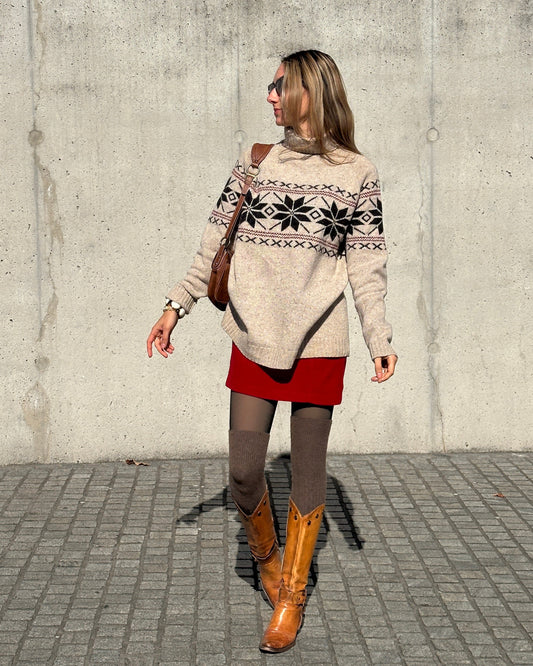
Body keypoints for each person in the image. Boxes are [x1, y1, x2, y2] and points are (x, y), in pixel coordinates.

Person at [147, 49, 397, 653]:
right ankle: (266, 556)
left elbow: (367, 265)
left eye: (279, 85)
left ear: (309, 90)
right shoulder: (256, 161)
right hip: (253, 334)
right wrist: (176, 305)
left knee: (308, 475)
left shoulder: (357, 173)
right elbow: (213, 240)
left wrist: (379, 336)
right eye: (270, 86)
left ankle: (292, 595)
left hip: (320, 341)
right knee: (243, 470)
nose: (270, 96)